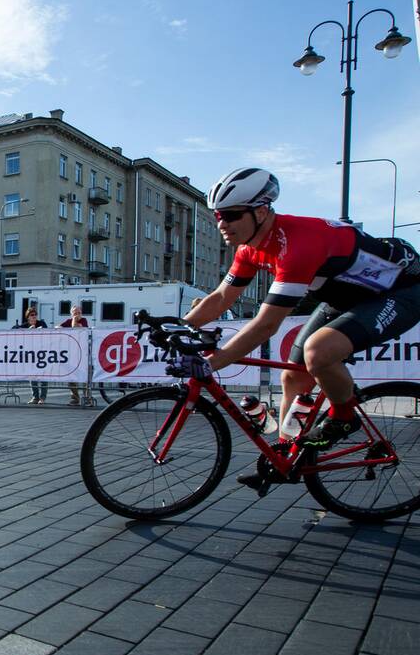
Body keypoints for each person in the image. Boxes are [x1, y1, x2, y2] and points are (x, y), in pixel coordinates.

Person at [178, 167, 420, 454]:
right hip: (344, 298)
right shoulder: (249, 249)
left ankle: (344, 418)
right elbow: (220, 298)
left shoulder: (297, 244)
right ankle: (287, 452)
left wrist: (214, 362)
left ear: (261, 212)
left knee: (319, 352)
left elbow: (267, 325)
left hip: (401, 291)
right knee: (293, 375)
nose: (222, 223)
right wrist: (177, 326)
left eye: (231, 215)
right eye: (218, 215)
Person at [59, 305, 90, 405]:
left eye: (78, 313)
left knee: (85, 375)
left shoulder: (84, 320)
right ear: (71, 314)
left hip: (83, 351)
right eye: (74, 313)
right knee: (71, 374)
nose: (77, 315)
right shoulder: (68, 320)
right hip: (72, 351)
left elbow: (75, 327)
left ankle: (87, 398)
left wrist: (74, 320)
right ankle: (75, 398)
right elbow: (58, 327)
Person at [20, 306, 49, 404]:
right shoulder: (24, 325)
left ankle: (43, 397)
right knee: (32, 375)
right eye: (32, 315)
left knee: (44, 375)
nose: (34, 317)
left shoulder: (41, 323)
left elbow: (48, 332)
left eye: (35, 315)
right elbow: (15, 330)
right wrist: (28, 330)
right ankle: (35, 397)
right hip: (30, 354)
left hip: (42, 352)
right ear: (28, 317)